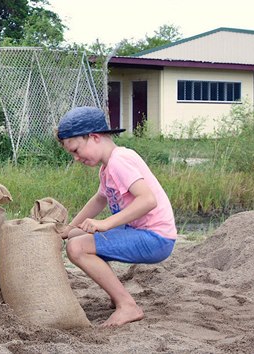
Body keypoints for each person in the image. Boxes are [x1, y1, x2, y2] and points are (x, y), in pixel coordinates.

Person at [55, 106, 177, 327]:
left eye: (76, 150)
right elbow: (99, 199)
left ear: (94, 137)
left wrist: (105, 223)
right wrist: (69, 227)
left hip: (155, 237)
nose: (75, 158)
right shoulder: (108, 167)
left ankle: (127, 305)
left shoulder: (120, 160)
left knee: (77, 248)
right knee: (75, 239)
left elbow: (148, 200)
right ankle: (117, 297)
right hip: (139, 232)